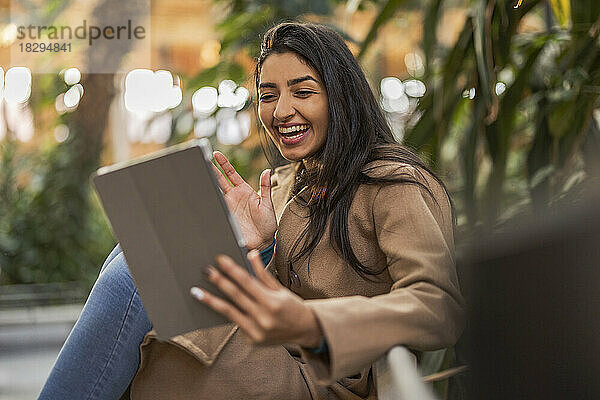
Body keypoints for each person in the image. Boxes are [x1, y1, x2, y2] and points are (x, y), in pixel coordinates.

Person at [39, 21, 464, 400]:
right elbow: (273, 289)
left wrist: (311, 321)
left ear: (341, 96)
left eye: (303, 91)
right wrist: (257, 244)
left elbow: (439, 306)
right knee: (139, 248)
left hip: (324, 377)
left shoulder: (393, 183)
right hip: (275, 351)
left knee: (135, 275)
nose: (281, 111)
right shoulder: (285, 183)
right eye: (268, 95)